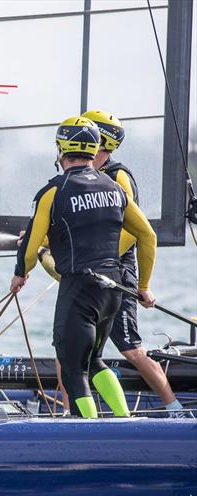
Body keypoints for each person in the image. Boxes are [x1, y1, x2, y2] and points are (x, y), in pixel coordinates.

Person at [36, 111, 187, 417]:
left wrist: (137, 283)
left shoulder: (116, 178)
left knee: (129, 348)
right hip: (97, 276)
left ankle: (176, 408)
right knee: (70, 353)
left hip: (114, 275)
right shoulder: (87, 181)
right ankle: (71, 412)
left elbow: (134, 232)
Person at [11, 116, 157, 419]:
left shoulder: (54, 191)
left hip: (80, 291)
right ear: (95, 149)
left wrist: (20, 273)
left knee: (74, 369)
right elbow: (148, 236)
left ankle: (87, 432)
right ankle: (125, 422)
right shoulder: (114, 187)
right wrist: (142, 286)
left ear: (60, 149)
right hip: (113, 290)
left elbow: (31, 245)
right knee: (95, 362)